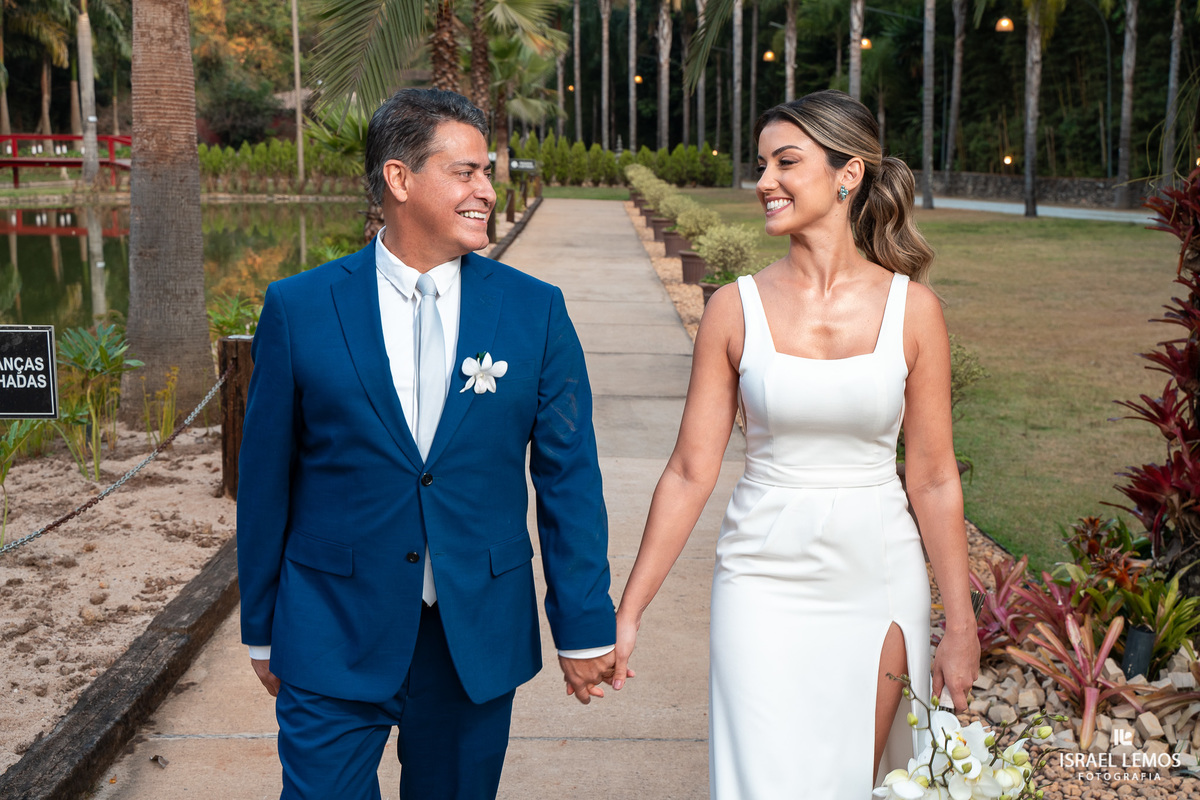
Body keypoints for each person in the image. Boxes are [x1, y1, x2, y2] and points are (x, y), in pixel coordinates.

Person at [236, 88, 618, 800]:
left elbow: (569, 479)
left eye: (488, 173)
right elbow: (266, 482)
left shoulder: (535, 309)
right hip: (330, 626)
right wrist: (261, 627)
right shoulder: (300, 306)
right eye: (465, 171)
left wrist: (584, 624)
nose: (486, 190)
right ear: (399, 179)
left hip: (474, 631)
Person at [609, 90, 980, 798]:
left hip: (877, 577)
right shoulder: (733, 307)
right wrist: (630, 610)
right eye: (761, 165)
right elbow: (690, 472)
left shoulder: (915, 312)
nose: (763, 182)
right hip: (760, 578)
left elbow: (932, 480)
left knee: (854, 781)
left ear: (849, 174)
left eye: (786, 162)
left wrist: (958, 626)